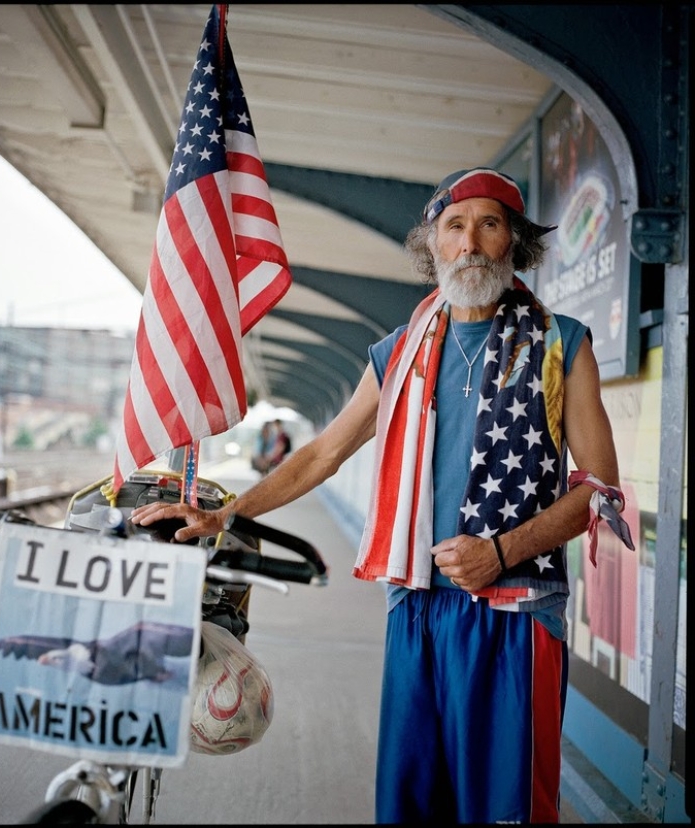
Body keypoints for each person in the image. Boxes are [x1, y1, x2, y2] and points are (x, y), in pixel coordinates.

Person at [130, 167, 634, 824]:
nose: (471, 243)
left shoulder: (562, 343)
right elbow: (321, 452)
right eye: (454, 226)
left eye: (489, 224)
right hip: (415, 607)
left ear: (514, 243)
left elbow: (601, 491)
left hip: (514, 615)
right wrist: (224, 513)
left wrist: (500, 551)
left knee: (507, 804)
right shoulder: (396, 352)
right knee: (411, 801)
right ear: (432, 245)